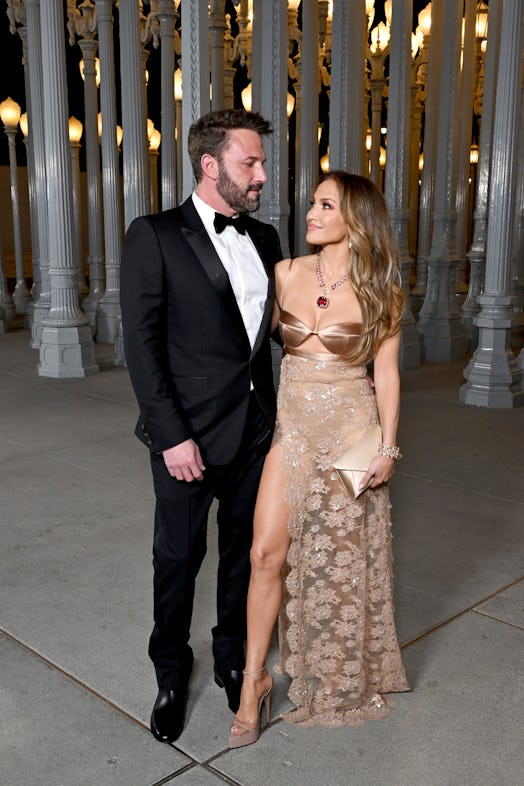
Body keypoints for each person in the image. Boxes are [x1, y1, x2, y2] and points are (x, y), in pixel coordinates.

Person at [228, 170, 409, 748]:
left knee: (340, 564)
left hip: (353, 435)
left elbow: (386, 373)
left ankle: (337, 672)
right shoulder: (285, 273)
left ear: (353, 218)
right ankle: (253, 680)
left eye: (325, 204)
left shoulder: (383, 287)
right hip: (294, 433)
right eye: (311, 202)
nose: (310, 212)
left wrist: (387, 446)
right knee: (264, 554)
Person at [120, 109, 283, 743]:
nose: (263, 175)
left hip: (256, 435)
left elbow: (273, 335)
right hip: (186, 438)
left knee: (244, 557)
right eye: (251, 163)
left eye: (262, 162)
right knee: (177, 560)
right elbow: (143, 346)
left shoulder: (265, 240)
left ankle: (231, 657)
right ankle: (169, 671)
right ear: (210, 165)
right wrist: (171, 437)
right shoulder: (154, 235)